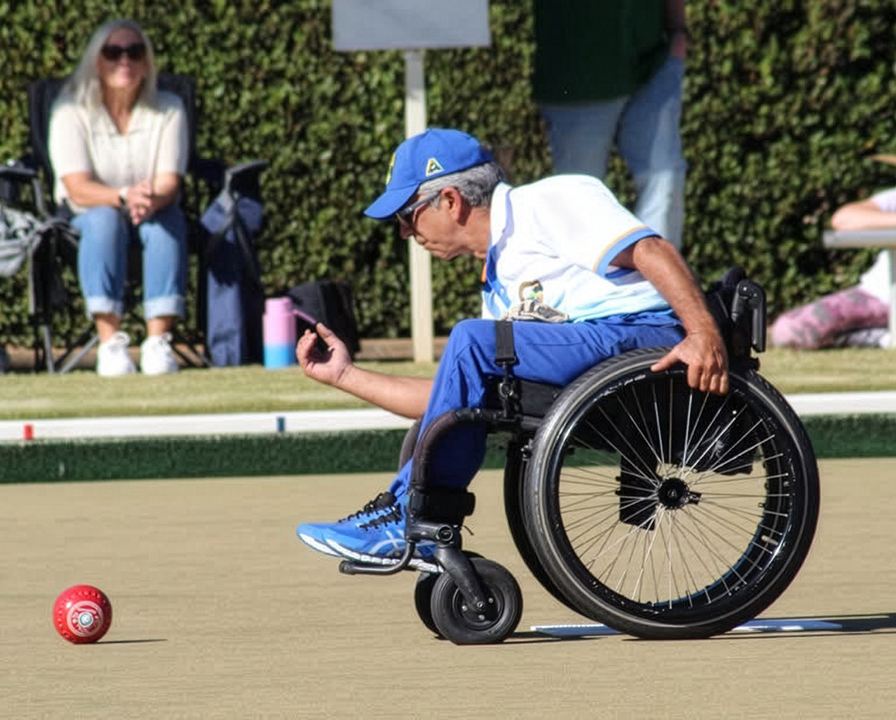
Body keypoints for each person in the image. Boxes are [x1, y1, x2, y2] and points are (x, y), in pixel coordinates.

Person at [295, 128, 728, 562]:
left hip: (644, 334)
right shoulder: (499, 279)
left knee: (470, 338)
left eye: (407, 215)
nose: (406, 232)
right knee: (471, 356)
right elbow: (452, 401)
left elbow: (652, 250)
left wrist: (703, 335)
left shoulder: (547, 200)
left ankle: (411, 514)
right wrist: (345, 375)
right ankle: (421, 524)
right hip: (600, 349)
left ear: (450, 200)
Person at [48, 19, 189, 375]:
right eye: (113, 52)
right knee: (104, 219)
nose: (124, 60)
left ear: (146, 62)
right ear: (97, 60)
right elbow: (78, 187)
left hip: (151, 209)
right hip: (87, 213)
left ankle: (157, 342)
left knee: (166, 223)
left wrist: (146, 200)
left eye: (134, 52)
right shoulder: (69, 111)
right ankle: (110, 343)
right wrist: (123, 196)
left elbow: (169, 182)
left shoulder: (169, 108)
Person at [771, 124, 896, 349]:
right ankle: (890, 337)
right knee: (788, 331)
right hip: (875, 298)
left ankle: (888, 336)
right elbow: (843, 219)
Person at [532, 0, 688, 248]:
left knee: (665, 175)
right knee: (580, 196)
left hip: (653, 57)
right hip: (579, 74)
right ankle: (584, 285)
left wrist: (678, 31)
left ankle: (658, 285)